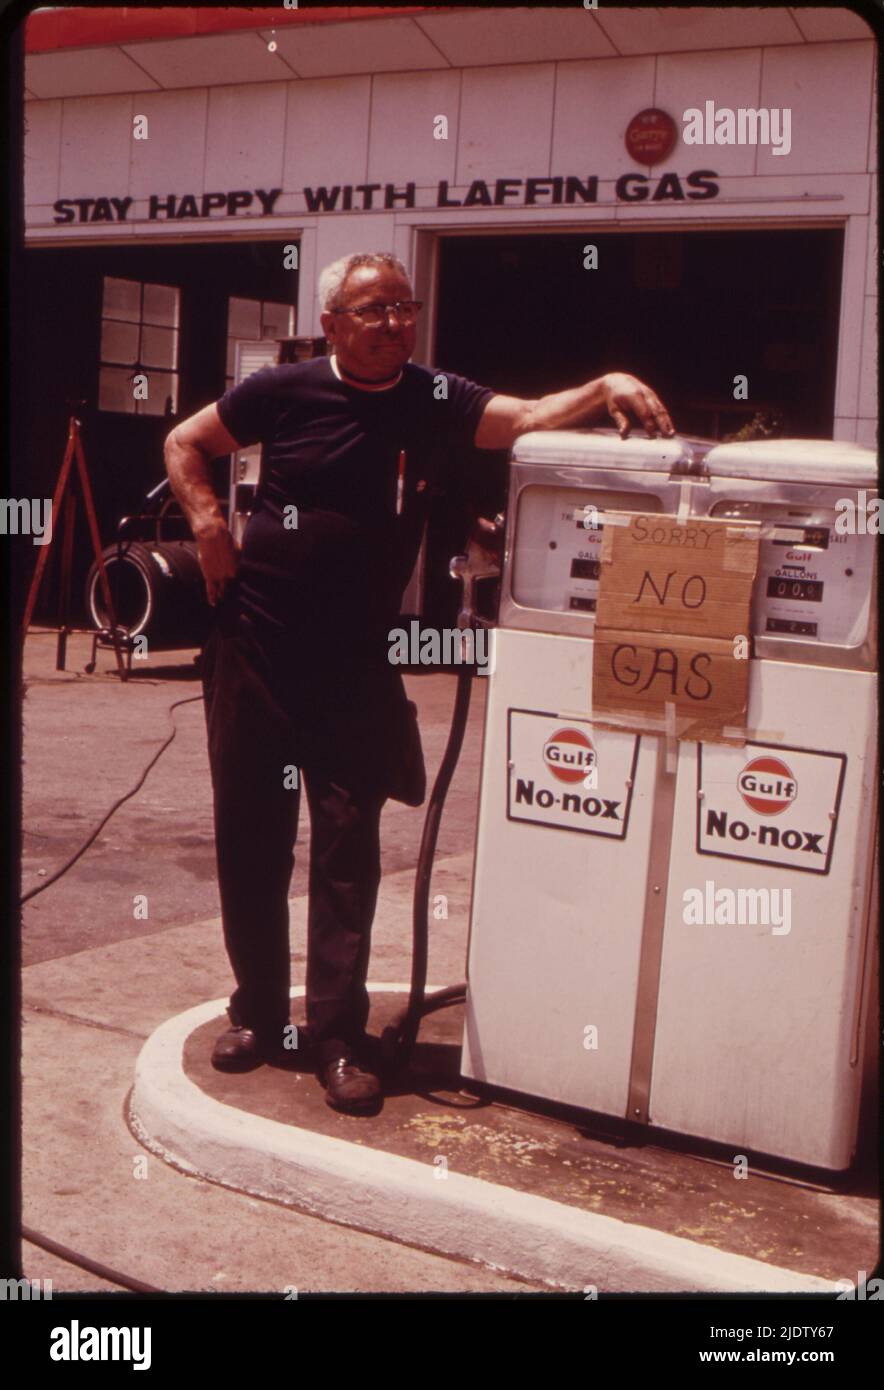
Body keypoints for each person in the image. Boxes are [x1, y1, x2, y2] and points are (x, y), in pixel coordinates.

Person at [164, 251, 674, 1114]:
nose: (396, 323)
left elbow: (527, 417)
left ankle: (335, 1035)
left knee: (346, 845)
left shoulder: (433, 396)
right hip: (254, 646)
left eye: (405, 307)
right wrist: (208, 520)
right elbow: (186, 439)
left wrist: (605, 383)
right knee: (251, 837)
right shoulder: (284, 390)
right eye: (374, 310)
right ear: (331, 324)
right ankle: (257, 1011)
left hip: (356, 659)